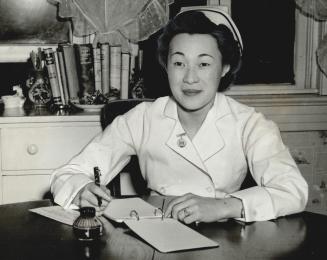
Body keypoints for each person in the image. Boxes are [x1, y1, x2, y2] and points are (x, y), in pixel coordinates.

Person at [50, 6, 308, 223]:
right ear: (166, 66)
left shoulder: (250, 124)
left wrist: (227, 206)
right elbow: (68, 173)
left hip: (225, 237)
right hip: (154, 231)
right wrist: (82, 189)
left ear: (225, 68)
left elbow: (293, 190)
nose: (190, 78)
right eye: (179, 63)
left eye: (204, 64)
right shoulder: (142, 118)